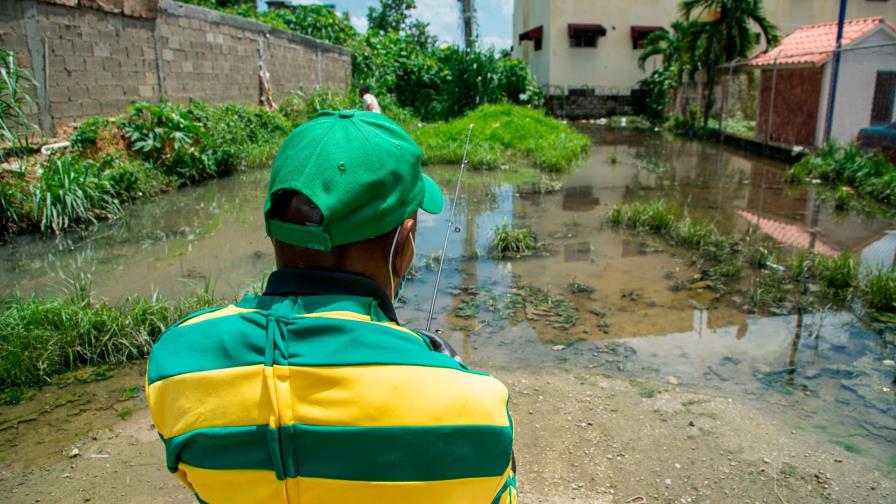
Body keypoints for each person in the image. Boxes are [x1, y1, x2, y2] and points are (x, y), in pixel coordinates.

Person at [145, 110, 517, 503]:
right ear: (403, 244)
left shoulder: (175, 365)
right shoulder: (479, 410)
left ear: (273, 228)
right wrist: (447, 374)